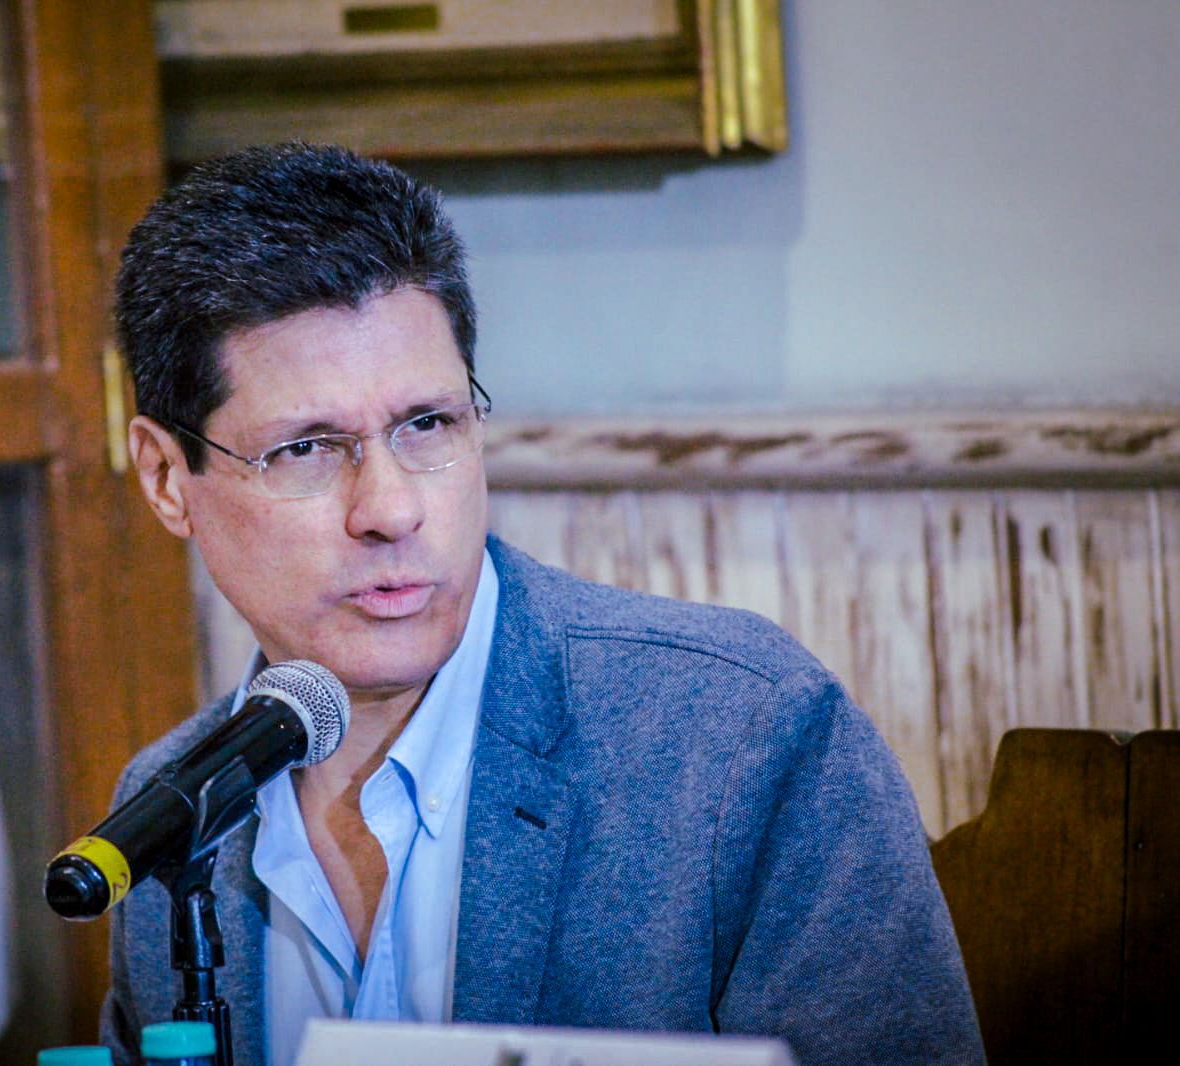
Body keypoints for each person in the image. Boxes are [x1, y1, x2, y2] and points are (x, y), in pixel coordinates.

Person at [104, 142, 984, 1066]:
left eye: (427, 424)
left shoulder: (744, 736)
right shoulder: (165, 816)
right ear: (165, 479)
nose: (391, 509)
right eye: (307, 449)